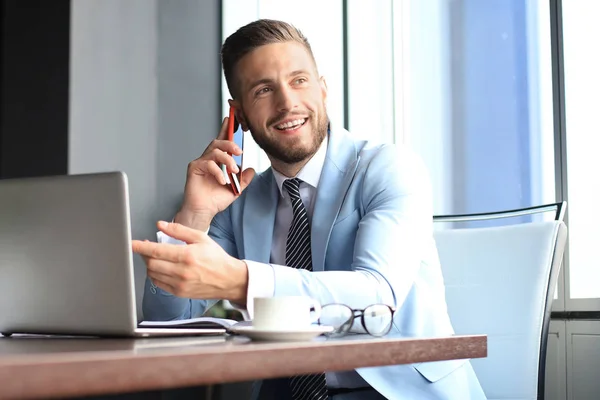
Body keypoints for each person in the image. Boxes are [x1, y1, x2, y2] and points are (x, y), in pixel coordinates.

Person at [132, 19, 486, 400]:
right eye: (264, 89)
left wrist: (240, 281)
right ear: (240, 117)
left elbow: (377, 296)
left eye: (299, 80)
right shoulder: (239, 204)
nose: (287, 103)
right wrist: (194, 216)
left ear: (323, 88)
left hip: (397, 393)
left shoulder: (388, 168)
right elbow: (167, 330)